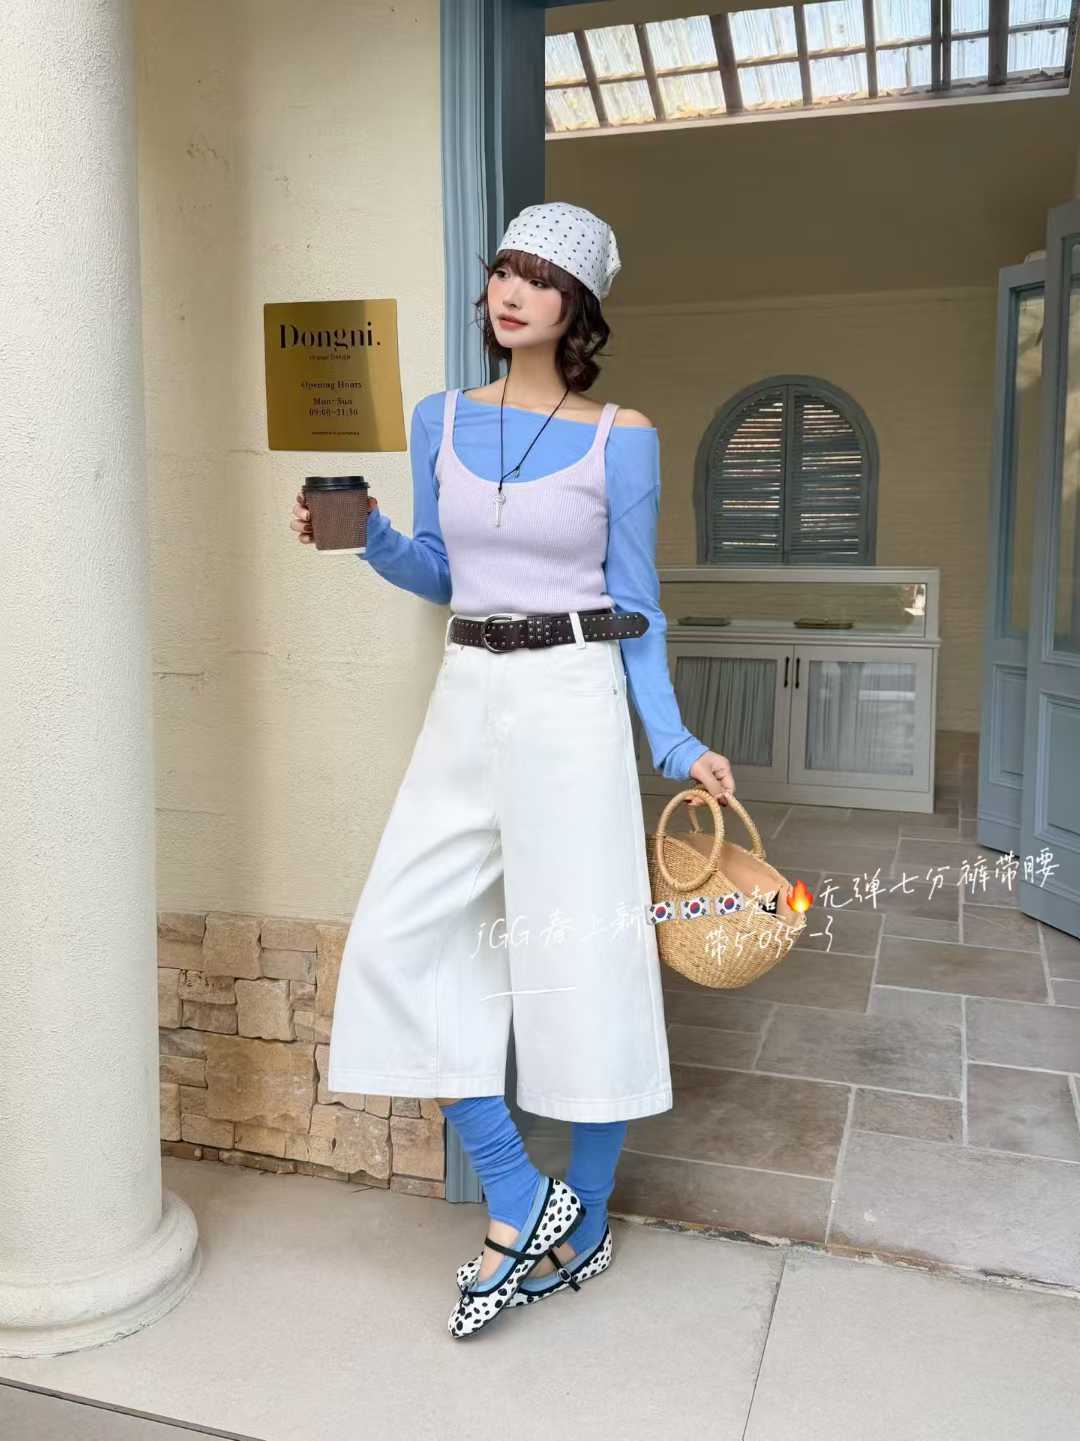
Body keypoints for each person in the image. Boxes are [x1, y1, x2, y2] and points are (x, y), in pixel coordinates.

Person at [290, 201, 736, 1338]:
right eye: (504, 269)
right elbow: (442, 568)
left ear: (576, 306)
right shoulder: (439, 416)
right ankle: (519, 1188)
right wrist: (368, 535)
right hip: (467, 691)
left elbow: (636, 604)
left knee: (582, 951)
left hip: (574, 697)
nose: (511, 291)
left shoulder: (620, 435)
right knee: (401, 936)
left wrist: (672, 738)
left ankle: (585, 1215)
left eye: (539, 278)